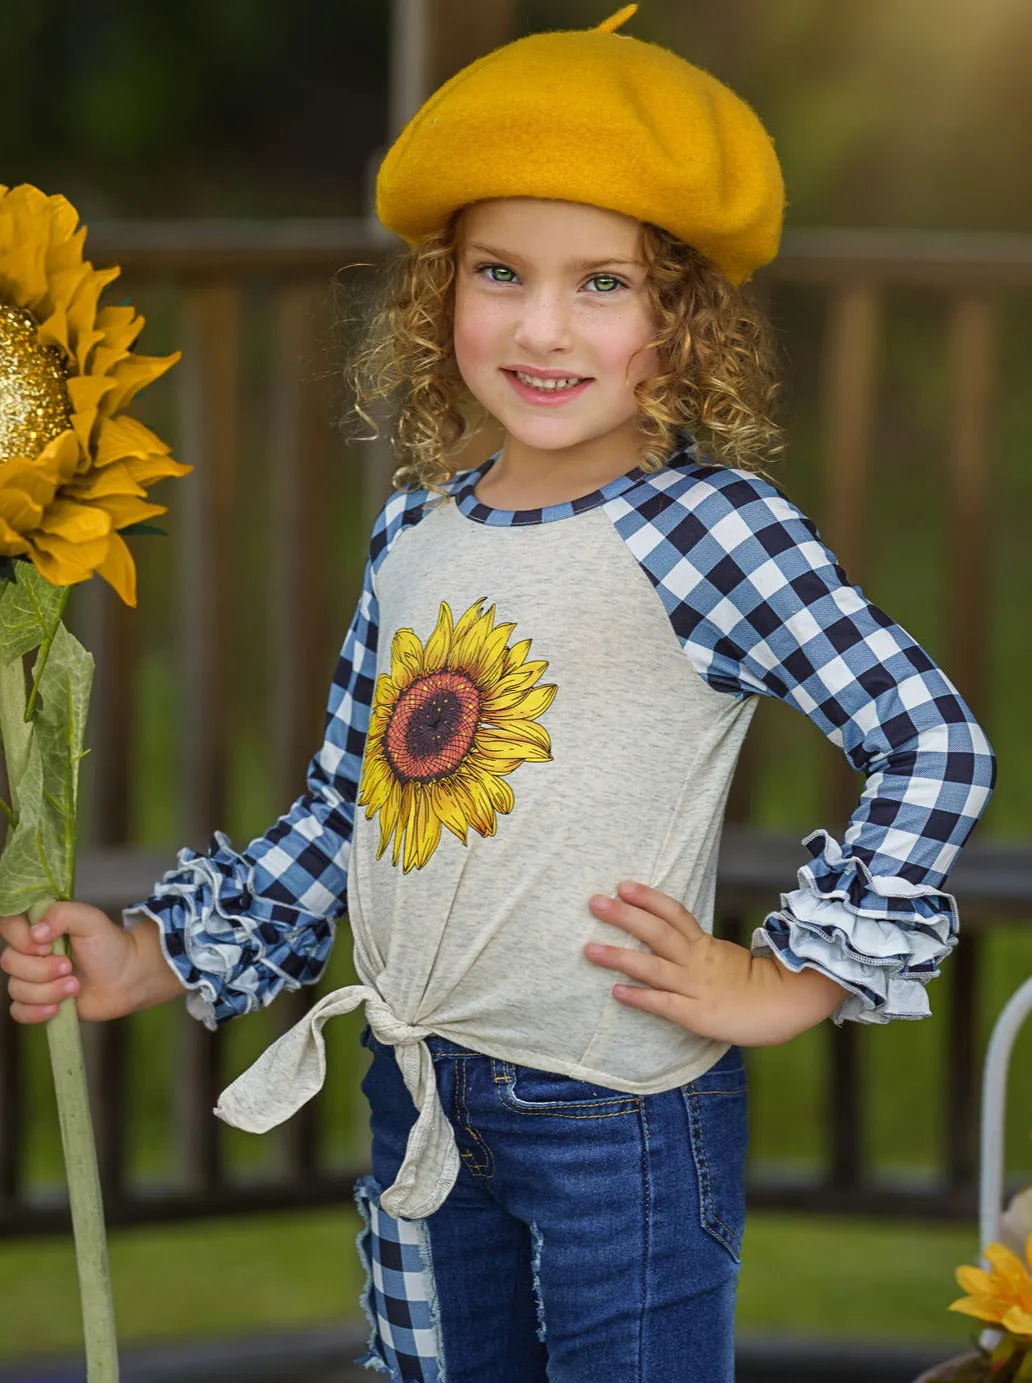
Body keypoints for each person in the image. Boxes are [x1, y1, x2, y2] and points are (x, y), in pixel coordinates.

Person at [0, 8, 996, 1381]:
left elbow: (930, 739)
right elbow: (345, 815)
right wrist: (152, 955)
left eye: (603, 283)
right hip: (419, 1090)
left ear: (683, 316)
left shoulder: (709, 526)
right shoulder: (418, 527)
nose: (541, 326)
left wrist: (790, 980)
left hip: (619, 1123)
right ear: (439, 290)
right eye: (498, 271)